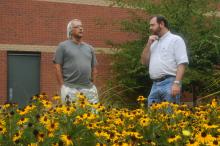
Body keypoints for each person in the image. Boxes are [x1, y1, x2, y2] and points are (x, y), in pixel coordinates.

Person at [141, 15, 189, 106]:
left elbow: (182, 63)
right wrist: (148, 44)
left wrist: (177, 83)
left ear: (161, 24)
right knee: (153, 118)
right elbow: (144, 62)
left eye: (152, 25)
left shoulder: (176, 40)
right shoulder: (153, 43)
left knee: (169, 117)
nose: (150, 28)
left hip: (170, 83)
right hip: (155, 84)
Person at [53, 19, 98, 104]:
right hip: (70, 88)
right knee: (71, 115)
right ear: (70, 30)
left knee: (93, 115)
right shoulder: (63, 46)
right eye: (77, 27)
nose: (81, 29)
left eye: (81, 27)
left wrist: (93, 85)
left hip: (88, 89)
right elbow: (57, 67)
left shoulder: (90, 48)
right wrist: (63, 86)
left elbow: (94, 69)